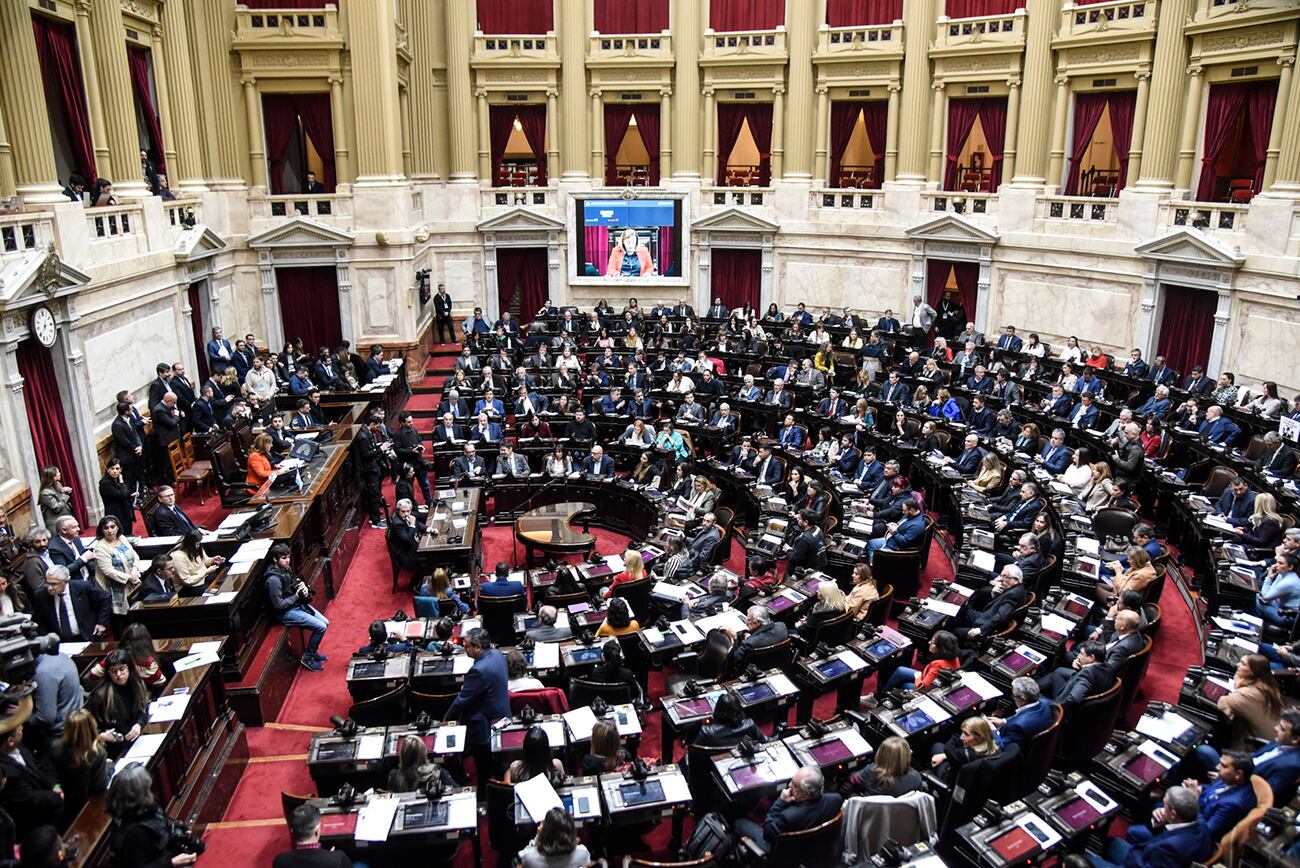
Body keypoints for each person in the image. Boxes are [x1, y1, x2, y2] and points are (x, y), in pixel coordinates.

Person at [443, 627, 509, 785]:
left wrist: (446, 719)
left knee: (483, 768)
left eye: (467, 647)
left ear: (478, 647)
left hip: (484, 727)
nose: (464, 649)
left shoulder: (478, 671)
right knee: (499, 761)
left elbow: (462, 701)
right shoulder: (498, 655)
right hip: (503, 716)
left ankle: (484, 795)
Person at [1087, 785, 1212, 868]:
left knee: (1084, 859)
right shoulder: (1200, 820)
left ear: (1173, 814)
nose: (1162, 808)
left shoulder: (1169, 848)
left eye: (1165, 805)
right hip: (1146, 855)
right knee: (1111, 843)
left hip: (1140, 862)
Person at [106, 764, 199, 867]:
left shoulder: (146, 807)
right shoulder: (132, 833)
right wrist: (172, 863)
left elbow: (160, 827)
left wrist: (175, 828)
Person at [734, 766, 842, 854]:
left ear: (806, 793)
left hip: (782, 852)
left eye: (795, 785)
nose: (789, 785)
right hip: (815, 846)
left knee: (739, 822)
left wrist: (780, 801)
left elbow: (768, 832)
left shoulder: (789, 816)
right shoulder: (836, 799)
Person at [265, 544, 330, 671]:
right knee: (320, 627)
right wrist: (296, 596)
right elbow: (278, 605)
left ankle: (312, 651)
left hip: (296, 605)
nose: (287, 560)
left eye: (288, 557)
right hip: (285, 613)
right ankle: (308, 657)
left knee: (325, 622)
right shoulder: (273, 580)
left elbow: (293, 583)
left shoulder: (286, 569)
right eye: (283, 558)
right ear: (275, 559)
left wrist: (302, 587)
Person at [0, 717, 63, 840]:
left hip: (46, 794)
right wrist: (56, 796)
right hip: (33, 823)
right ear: (10, 741)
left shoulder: (20, 747)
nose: (22, 727)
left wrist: (55, 785)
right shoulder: (7, 772)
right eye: (19, 729)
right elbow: (30, 798)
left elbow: (40, 765)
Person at [85, 650, 148, 760]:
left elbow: (142, 710)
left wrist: (139, 724)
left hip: (136, 742)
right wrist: (100, 736)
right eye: (114, 671)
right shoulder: (100, 696)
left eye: (122, 669)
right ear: (108, 673)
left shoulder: (137, 684)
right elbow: (83, 727)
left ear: (129, 668)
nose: (119, 675)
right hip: (114, 750)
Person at [51, 709, 109, 818]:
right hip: (88, 810)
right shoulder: (97, 754)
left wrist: (56, 785)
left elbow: (53, 774)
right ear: (92, 726)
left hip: (64, 808)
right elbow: (99, 788)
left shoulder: (56, 748)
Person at [1218, 654, 1284, 748]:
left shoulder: (1248, 695)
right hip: (1274, 737)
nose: (1238, 665)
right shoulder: (1267, 685)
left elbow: (1223, 702)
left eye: (1243, 664)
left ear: (1253, 672)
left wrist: (1238, 681)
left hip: (1256, 747)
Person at [91, 516, 140, 630]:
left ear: (118, 527)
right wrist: (129, 577)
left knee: (133, 618)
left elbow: (135, 556)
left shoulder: (122, 538)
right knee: (121, 622)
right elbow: (108, 571)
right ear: (101, 530)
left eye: (113, 527)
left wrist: (134, 570)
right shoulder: (100, 547)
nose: (110, 530)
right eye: (106, 528)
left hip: (131, 584)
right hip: (114, 589)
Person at [274, 803, 353, 867]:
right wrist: (329, 856)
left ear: (292, 832)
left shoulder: (280, 861)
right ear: (317, 831)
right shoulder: (338, 860)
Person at [879, 630, 960, 693]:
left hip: (927, 691)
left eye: (932, 642)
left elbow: (923, 688)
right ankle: (880, 693)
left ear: (940, 648)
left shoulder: (937, 664)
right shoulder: (954, 657)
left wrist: (917, 678)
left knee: (905, 684)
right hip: (929, 680)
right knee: (901, 670)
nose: (929, 642)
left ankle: (879, 697)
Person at [1037, 640, 1113, 707]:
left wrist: (1057, 707)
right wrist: (1080, 669)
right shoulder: (1107, 666)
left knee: (1029, 694)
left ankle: (1031, 689)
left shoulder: (1086, 675)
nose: (1078, 656)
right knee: (1057, 673)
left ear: (1091, 658)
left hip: (1059, 704)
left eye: (1081, 653)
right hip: (1067, 689)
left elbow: (1074, 699)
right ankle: (1035, 686)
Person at [929, 716, 1000, 784]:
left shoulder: (966, 754)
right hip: (973, 782)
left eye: (966, 734)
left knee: (936, 746)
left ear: (979, 738)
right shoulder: (993, 747)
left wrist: (946, 754)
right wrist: (944, 756)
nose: (961, 737)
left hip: (952, 780)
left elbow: (948, 749)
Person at [519, 807, 592, 868]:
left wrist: (538, 836)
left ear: (544, 833)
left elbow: (523, 854)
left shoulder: (529, 858)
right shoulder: (582, 853)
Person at [990, 677, 1053, 748]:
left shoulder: (1017, 727)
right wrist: (1004, 721)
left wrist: (994, 732)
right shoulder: (1045, 703)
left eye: (1013, 696)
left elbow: (1002, 747)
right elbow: (1020, 716)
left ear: (1023, 700)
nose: (1013, 698)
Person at [169, 529, 224, 596]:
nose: (198, 546)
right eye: (197, 543)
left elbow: (204, 562)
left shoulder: (197, 546)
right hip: (187, 586)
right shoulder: (177, 556)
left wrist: (213, 560)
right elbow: (187, 581)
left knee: (220, 579)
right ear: (190, 543)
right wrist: (206, 572)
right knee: (210, 592)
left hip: (201, 578)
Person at [98, 460, 135, 536]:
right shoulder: (105, 483)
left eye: (117, 469)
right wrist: (121, 482)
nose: (115, 471)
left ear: (120, 470)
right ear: (108, 470)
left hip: (125, 514)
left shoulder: (116, 480)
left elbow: (127, 492)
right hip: (117, 516)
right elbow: (123, 494)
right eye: (112, 469)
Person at [36, 466, 73, 531]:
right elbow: (57, 507)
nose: (60, 474)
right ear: (54, 477)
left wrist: (64, 491)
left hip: (65, 519)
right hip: (55, 524)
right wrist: (65, 494)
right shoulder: (45, 493)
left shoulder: (58, 485)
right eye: (58, 472)